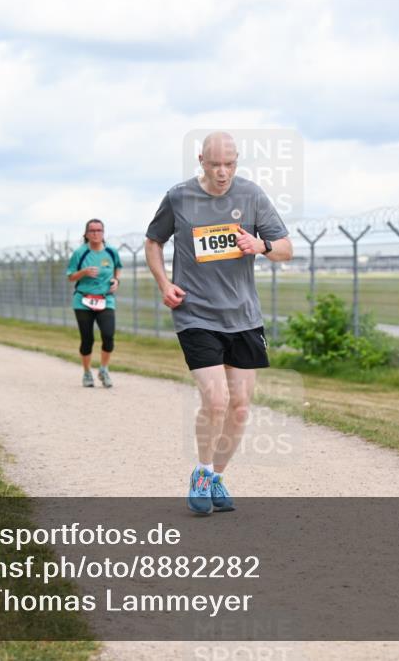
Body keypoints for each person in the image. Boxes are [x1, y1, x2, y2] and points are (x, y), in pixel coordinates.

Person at [145, 131, 293, 515]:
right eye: (215, 165)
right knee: (216, 400)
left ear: (237, 161)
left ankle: (215, 477)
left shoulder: (252, 196)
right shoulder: (179, 197)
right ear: (201, 161)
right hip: (195, 314)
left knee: (240, 408)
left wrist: (260, 246)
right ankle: (201, 472)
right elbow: (153, 241)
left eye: (230, 164)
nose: (223, 172)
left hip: (243, 317)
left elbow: (286, 249)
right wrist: (164, 283)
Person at [66, 219, 122, 388]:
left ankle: (104, 370)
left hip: (106, 299)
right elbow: (70, 276)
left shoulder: (111, 252)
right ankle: (87, 372)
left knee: (108, 336)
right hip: (83, 300)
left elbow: (118, 268)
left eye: (99, 230)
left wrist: (116, 280)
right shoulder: (80, 253)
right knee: (87, 339)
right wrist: (83, 272)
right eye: (92, 231)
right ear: (87, 234)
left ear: (103, 233)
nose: (96, 234)